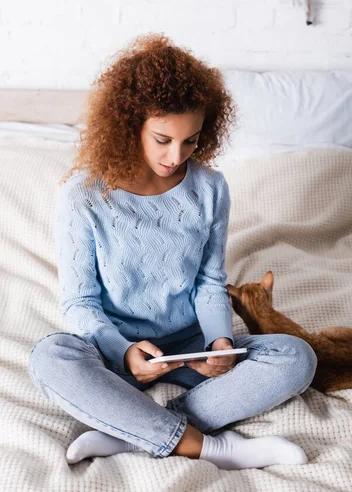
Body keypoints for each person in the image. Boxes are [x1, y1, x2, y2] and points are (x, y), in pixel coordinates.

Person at [28, 33, 317, 470]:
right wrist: (125, 353)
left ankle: (135, 429)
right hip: (115, 352)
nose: (175, 156)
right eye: (162, 139)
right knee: (50, 357)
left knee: (297, 357)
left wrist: (219, 339)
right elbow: (79, 302)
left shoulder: (210, 188)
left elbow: (208, 281)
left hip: (190, 348)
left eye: (191, 141)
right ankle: (217, 448)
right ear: (131, 127)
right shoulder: (83, 196)